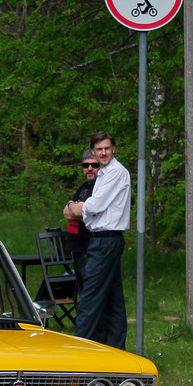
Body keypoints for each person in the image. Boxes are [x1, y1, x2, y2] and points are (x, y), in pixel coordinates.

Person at [67, 131, 131, 349]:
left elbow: (94, 206)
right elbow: (92, 208)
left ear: (114, 149)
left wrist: (77, 207)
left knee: (89, 299)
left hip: (106, 241)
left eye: (107, 148)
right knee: (113, 302)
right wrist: (84, 208)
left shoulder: (115, 173)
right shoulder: (104, 173)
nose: (103, 153)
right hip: (102, 239)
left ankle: (77, 353)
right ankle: (116, 351)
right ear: (93, 152)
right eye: (99, 149)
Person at [62, 149, 99, 292]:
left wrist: (75, 208)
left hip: (89, 246)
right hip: (77, 246)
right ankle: (85, 314)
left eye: (94, 165)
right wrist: (75, 207)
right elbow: (66, 212)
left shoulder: (99, 188)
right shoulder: (84, 187)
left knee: (90, 289)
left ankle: (91, 314)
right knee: (82, 288)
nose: (89, 169)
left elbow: (83, 213)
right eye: (85, 165)